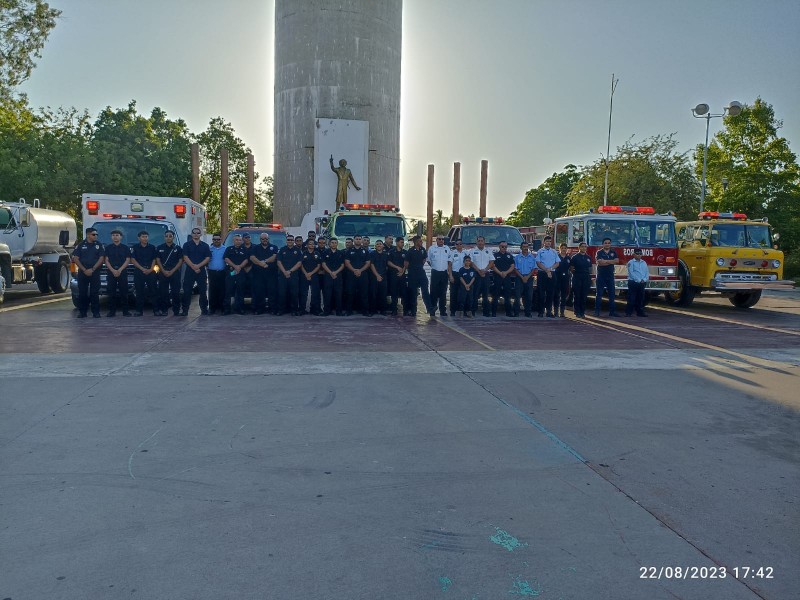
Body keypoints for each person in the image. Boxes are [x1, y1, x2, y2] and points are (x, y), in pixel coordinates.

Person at [72, 227, 105, 318]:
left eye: (96, 235)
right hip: (83, 272)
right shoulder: (81, 245)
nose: (96, 236)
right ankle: (82, 312)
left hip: (95, 272)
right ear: (88, 235)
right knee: (82, 293)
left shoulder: (99, 245)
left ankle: (96, 312)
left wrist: (93, 269)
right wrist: (84, 270)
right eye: (94, 234)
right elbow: (76, 258)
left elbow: (101, 258)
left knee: (94, 293)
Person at [181, 227, 211, 316]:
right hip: (190, 271)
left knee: (202, 291)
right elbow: (185, 257)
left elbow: (208, 258)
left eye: (198, 233)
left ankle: (204, 310)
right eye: (194, 233)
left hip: (201, 271)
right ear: (192, 234)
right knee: (187, 291)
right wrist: (194, 267)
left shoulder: (205, 246)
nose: (196, 234)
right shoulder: (186, 245)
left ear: (200, 234)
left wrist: (198, 266)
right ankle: (185, 310)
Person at [248, 233, 279, 315]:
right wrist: (261, 264)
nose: (265, 240)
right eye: (263, 239)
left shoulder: (274, 247)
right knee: (259, 292)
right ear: (260, 239)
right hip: (258, 274)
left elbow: (274, 257)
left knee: (272, 292)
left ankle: (272, 309)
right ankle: (259, 309)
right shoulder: (255, 247)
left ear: (269, 238)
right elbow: (252, 258)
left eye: (266, 238)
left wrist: (264, 261)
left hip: (271, 274)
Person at [130, 231, 159, 316]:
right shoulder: (135, 247)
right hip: (139, 271)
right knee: (139, 292)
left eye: (146, 236)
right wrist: (142, 268)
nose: (145, 238)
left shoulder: (152, 247)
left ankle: (156, 311)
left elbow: (154, 259)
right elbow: (133, 260)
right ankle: (139, 311)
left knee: (153, 291)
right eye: (143, 237)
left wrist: (150, 269)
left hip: (151, 272)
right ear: (139, 238)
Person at [104, 229, 131, 317]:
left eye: (117, 235)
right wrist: (113, 270)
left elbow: (128, 260)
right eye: (113, 235)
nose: (115, 237)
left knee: (124, 292)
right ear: (111, 237)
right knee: (111, 292)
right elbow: (106, 260)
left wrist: (119, 270)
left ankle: (125, 311)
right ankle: (112, 311)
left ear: (121, 237)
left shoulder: (125, 248)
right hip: (111, 272)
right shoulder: (108, 248)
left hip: (122, 272)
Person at [156, 231, 184, 316]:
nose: (168, 237)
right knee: (163, 293)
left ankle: (176, 311)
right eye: (166, 236)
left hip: (174, 272)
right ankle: (164, 310)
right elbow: (158, 260)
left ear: (173, 237)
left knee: (175, 292)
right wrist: (163, 270)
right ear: (164, 237)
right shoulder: (159, 247)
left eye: (170, 236)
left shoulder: (178, 248)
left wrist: (172, 271)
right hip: (163, 272)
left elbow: (180, 261)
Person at [403, 235, 432, 317]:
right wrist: (412, 269)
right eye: (420, 241)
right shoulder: (410, 251)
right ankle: (413, 310)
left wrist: (419, 266)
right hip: (413, 274)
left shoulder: (422, 250)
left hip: (421, 273)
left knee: (425, 290)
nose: (421, 242)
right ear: (415, 242)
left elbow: (424, 259)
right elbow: (406, 263)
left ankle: (430, 308)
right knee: (413, 292)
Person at [344, 235, 371, 316]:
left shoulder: (365, 251)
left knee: (364, 294)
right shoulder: (349, 251)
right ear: (354, 240)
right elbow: (347, 262)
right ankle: (348, 311)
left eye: (360, 239)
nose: (358, 240)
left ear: (362, 240)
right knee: (350, 293)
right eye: (357, 239)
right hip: (351, 275)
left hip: (363, 275)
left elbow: (368, 263)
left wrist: (360, 270)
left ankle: (365, 311)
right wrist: (354, 270)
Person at [223, 234, 249, 315]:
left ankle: (240, 309)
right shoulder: (229, 249)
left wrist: (239, 267)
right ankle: (226, 310)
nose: (238, 241)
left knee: (240, 291)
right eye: (236, 240)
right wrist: (235, 266)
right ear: (233, 241)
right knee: (228, 291)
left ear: (242, 241)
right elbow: (226, 258)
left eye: (240, 240)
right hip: (231, 272)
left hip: (240, 272)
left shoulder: (244, 249)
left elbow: (246, 259)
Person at [277, 236, 303, 316]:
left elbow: (299, 263)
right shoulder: (282, 250)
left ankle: (294, 310)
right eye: (288, 240)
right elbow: (278, 262)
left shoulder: (298, 251)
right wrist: (285, 272)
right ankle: (281, 310)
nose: (290, 241)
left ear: (294, 241)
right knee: (282, 293)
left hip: (293, 275)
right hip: (283, 275)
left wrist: (290, 271)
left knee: (294, 294)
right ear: (286, 241)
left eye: (291, 240)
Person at [469, 236, 495, 317]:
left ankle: (486, 312)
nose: (480, 242)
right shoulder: (472, 251)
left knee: (486, 293)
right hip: (476, 274)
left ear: (484, 242)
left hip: (486, 274)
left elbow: (492, 262)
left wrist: (485, 270)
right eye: (479, 241)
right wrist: (479, 271)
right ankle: (473, 311)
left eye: (482, 241)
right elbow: (471, 262)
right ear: (476, 242)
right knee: (475, 293)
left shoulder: (488, 251)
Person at [594, 237, 620, 317]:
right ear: (603, 244)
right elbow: (600, 263)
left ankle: (612, 312)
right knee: (599, 294)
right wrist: (610, 262)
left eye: (609, 243)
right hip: (601, 275)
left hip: (610, 276)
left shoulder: (613, 252)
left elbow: (617, 261)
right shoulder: (599, 252)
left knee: (612, 295)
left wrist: (605, 261)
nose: (607, 244)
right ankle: (597, 312)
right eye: (606, 243)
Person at [535, 236, 560, 318]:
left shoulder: (554, 251)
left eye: (550, 241)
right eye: (547, 241)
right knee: (541, 294)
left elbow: (557, 263)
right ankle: (541, 311)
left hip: (552, 273)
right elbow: (538, 263)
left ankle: (549, 311)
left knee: (551, 293)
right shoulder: (540, 251)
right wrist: (546, 270)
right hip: (542, 273)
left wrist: (550, 269)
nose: (549, 243)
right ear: (544, 242)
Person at [427, 235, 452, 317]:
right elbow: (428, 260)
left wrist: (448, 272)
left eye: (442, 239)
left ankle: (442, 310)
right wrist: (434, 267)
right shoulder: (432, 249)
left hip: (444, 273)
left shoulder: (447, 249)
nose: (441, 240)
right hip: (435, 272)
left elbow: (449, 261)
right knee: (433, 291)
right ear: (436, 240)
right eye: (439, 239)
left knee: (443, 292)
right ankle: (432, 309)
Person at [491, 242, 516, 317]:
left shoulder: (509, 256)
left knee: (507, 295)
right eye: (502, 246)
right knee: (495, 295)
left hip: (507, 277)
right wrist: (500, 273)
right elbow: (493, 266)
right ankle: (493, 312)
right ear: (499, 247)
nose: (504, 248)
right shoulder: (495, 255)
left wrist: (505, 273)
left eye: (505, 247)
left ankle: (509, 312)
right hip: (497, 277)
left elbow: (512, 266)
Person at [322, 238, 345, 316]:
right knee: (327, 294)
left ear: (337, 244)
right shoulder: (325, 252)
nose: (334, 244)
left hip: (338, 276)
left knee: (338, 294)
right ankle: (326, 311)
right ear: (329, 244)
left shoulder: (340, 253)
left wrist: (335, 272)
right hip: (328, 276)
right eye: (332, 242)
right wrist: (330, 272)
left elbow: (342, 265)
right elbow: (323, 264)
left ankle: (339, 312)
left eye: (335, 242)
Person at [513, 241, 536, 318]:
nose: (526, 248)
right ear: (521, 248)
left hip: (529, 278)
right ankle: (516, 312)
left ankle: (528, 313)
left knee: (529, 296)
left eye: (527, 247)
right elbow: (515, 269)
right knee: (517, 296)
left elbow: (533, 269)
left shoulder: (532, 257)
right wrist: (522, 277)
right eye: (524, 247)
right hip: (519, 278)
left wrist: (527, 277)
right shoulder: (517, 257)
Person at [299, 239, 322, 315]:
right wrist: (306, 274)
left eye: (313, 244)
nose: (312, 245)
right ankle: (302, 310)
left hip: (314, 275)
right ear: (307, 245)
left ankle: (314, 310)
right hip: (304, 275)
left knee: (315, 293)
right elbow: (301, 265)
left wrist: (311, 273)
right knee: (303, 293)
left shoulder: (317, 253)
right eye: (310, 244)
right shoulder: (303, 253)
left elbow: (318, 265)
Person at [570, 242, 592, 318]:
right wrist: (576, 274)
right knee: (577, 295)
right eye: (582, 247)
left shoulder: (588, 257)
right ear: (579, 248)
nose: (584, 248)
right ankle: (577, 311)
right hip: (577, 277)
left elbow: (590, 269)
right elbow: (571, 268)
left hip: (586, 278)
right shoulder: (575, 257)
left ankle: (582, 312)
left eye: (585, 247)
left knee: (584, 295)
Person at [625, 248, 649, 317]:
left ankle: (640, 312)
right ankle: (628, 312)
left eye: (640, 254)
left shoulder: (644, 262)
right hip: (633, 282)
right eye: (637, 254)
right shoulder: (630, 262)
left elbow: (646, 272)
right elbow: (631, 273)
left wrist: (644, 279)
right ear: (633, 254)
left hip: (642, 282)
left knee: (640, 298)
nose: (639, 255)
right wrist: (638, 280)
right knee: (631, 298)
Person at [207, 233, 227, 315]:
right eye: (214, 239)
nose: (216, 241)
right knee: (212, 290)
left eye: (218, 239)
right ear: (212, 240)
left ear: (221, 240)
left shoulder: (225, 249)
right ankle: (212, 308)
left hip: (222, 272)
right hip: (212, 272)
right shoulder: (209, 249)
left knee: (222, 290)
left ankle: (222, 308)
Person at [387, 237, 407, 316]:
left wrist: (403, 270)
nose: (402, 244)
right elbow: (388, 262)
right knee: (394, 293)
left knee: (404, 293)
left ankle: (405, 310)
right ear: (397, 243)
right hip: (393, 275)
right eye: (401, 242)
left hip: (402, 276)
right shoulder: (391, 252)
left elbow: (406, 262)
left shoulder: (405, 252)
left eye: (403, 242)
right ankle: (394, 310)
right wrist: (397, 267)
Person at [448, 240, 469, 316]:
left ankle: (463, 310)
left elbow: (470, 263)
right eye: (457, 244)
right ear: (455, 245)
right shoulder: (452, 253)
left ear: (462, 245)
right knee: (453, 293)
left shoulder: (466, 253)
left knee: (464, 293)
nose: (459, 245)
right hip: (455, 274)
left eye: (460, 244)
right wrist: (450, 275)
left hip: (464, 274)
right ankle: (453, 311)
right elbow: (449, 265)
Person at [369, 240, 389, 315]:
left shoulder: (386, 254)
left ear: (383, 246)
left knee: (383, 295)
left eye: (380, 244)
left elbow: (387, 266)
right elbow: (372, 265)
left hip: (383, 276)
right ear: (375, 246)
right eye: (377, 244)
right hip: (374, 276)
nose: (379, 245)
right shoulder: (372, 254)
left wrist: (381, 275)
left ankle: (383, 310)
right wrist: (377, 275)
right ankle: (372, 311)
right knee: (373, 294)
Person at [553, 243, 571, 318]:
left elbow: (571, 268)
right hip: (557, 277)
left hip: (565, 278)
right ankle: (556, 311)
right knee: (556, 295)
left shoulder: (568, 258)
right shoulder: (556, 257)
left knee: (564, 295)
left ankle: (562, 312)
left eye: (565, 248)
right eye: (562, 248)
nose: (564, 249)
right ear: (559, 249)